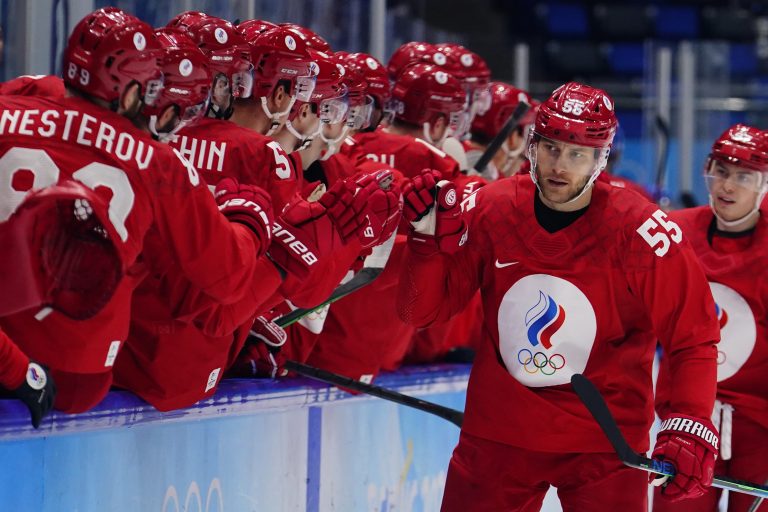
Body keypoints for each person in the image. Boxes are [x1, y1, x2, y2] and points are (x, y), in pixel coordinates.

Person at [396, 81, 721, 511]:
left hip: (606, 446)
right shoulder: (492, 209)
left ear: (600, 158)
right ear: (534, 146)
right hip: (499, 435)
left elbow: (694, 336)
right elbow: (422, 313)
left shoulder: (641, 232)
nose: (559, 165)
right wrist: (424, 241)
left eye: (576, 154)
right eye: (550, 148)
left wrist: (690, 422)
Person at [0, 8, 273, 413]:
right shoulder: (156, 160)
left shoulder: (11, 106)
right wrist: (250, 219)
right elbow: (227, 276)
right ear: (130, 92)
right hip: (75, 377)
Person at [653, 124, 768, 512]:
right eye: (720, 171)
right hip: (688, 419)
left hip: (762, 426)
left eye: (743, 176)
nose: (728, 186)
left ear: (763, 184)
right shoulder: (674, 233)